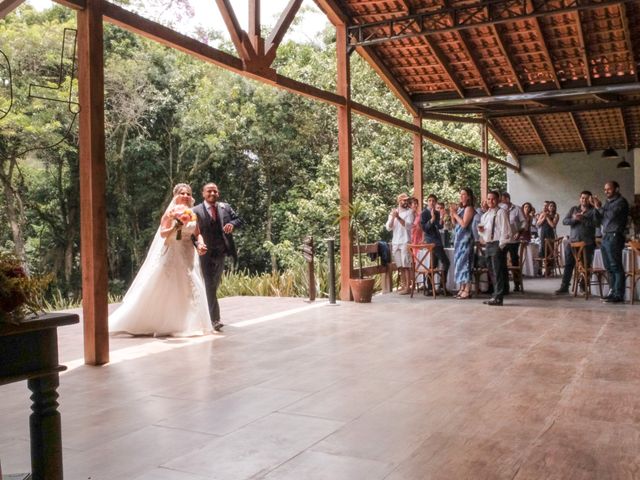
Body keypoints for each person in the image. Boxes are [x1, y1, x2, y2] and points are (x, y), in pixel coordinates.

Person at [109, 183, 212, 337]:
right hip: (173, 251)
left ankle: (188, 323)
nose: (185, 196)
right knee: (169, 285)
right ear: (175, 196)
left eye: (188, 193)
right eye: (182, 193)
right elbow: (164, 234)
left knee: (191, 285)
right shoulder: (170, 213)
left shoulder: (192, 214)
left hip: (189, 253)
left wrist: (201, 243)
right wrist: (175, 225)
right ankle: (154, 320)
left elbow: (197, 233)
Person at [193, 182, 244, 330]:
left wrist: (233, 224)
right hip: (204, 253)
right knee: (209, 284)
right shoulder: (195, 211)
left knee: (213, 285)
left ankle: (207, 316)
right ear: (203, 193)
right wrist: (198, 245)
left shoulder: (225, 207)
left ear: (218, 193)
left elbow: (239, 219)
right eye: (209, 191)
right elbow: (192, 234)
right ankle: (214, 319)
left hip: (221, 252)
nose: (212, 194)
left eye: (215, 191)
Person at [555, 191, 598, 295]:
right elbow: (564, 221)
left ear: (590, 199)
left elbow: (596, 224)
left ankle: (583, 287)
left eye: (587, 198)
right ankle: (564, 286)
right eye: (582, 198)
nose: (584, 200)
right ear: (580, 199)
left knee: (585, 265)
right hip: (572, 242)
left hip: (587, 243)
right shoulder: (574, 209)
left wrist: (583, 219)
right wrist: (574, 219)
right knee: (569, 264)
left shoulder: (593, 211)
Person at [593, 181, 630, 303]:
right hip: (606, 236)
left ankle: (619, 294)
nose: (606, 191)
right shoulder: (607, 203)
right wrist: (596, 209)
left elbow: (611, 216)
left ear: (617, 189)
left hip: (615, 236)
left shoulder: (621, 202)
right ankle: (612, 291)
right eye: (605, 189)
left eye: (609, 189)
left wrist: (600, 207)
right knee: (608, 267)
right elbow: (601, 221)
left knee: (615, 266)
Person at [478, 191, 511, 306]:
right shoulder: (485, 215)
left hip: (497, 244)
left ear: (498, 200)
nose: (490, 201)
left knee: (498, 271)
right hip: (488, 244)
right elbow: (484, 231)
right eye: (488, 199)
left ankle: (499, 297)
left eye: (493, 199)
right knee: (491, 271)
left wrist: (501, 246)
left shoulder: (501, 212)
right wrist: (481, 231)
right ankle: (495, 295)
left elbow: (505, 230)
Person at [420, 193, 450, 293]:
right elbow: (425, 228)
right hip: (432, 242)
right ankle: (442, 287)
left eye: (433, 201)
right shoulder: (424, 213)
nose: (432, 202)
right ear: (427, 202)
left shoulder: (436, 213)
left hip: (437, 240)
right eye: (430, 201)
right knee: (446, 262)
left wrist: (441, 218)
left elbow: (439, 227)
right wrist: (432, 219)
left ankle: (429, 288)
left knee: (433, 264)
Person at [385, 192, 414, 294]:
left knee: (406, 265)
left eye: (406, 200)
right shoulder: (393, 212)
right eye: (403, 200)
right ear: (399, 201)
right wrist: (393, 217)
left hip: (405, 241)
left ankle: (408, 287)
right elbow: (388, 227)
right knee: (400, 265)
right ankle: (403, 284)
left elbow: (409, 226)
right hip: (395, 242)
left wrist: (398, 217)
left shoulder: (409, 212)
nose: (405, 202)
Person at [450, 188, 476, 299]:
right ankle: (462, 287)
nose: (461, 196)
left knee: (465, 264)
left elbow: (464, 224)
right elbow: (454, 223)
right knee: (459, 264)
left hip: (466, 240)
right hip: (458, 240)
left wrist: (455, 214)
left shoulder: (469, 208)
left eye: (464, 194)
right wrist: (452, 214)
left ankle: (468, 289)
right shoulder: (461, 208)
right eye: (460, 194)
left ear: (469, 196)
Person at [500, 192, 527, 292]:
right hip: (503, 240)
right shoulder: (500, 210)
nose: (501, 202)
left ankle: (517, 284)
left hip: (513, 240)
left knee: (514, 261)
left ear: (507, 199)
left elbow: (524, 222)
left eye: (502, 199)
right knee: (502, 262)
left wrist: (520, 232)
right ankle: (504, 285)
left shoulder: (517, 209)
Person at [536, 200, 559, 275]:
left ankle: (549, 270)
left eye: (553, 206)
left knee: (550, 251)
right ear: (548, 207)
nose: (551, 207)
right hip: (543, 233)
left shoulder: (556, 215)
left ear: (555, 207)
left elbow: (553, 225)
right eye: (550, 206)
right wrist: (544, 217)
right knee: (542, 251)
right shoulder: (543, 214)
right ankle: (541, 270)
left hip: (550, 234)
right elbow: (538, 224)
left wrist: (547, 218)